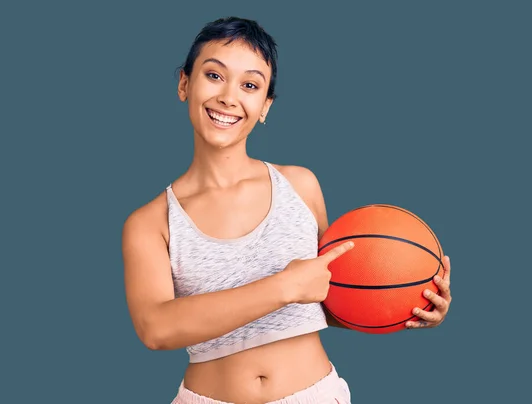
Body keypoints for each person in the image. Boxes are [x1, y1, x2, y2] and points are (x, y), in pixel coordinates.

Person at [122, 16, 452, 404]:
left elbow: (327, 298)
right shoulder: (151, 222)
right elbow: (155, 328)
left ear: (265, 106)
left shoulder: (300, 185)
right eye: (214, 76)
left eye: (250, 85)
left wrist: (408, 303)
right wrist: (282, 287)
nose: (230, 96)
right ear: (184, 84)